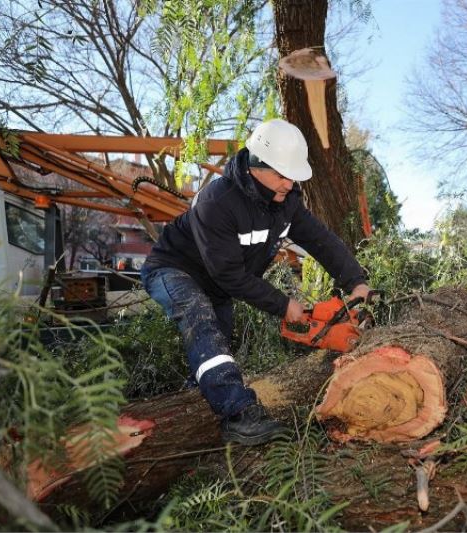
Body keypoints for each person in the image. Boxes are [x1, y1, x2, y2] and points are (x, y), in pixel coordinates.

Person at [140, 119, 370, 445]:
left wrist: (356, 282)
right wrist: (282, 304)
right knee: (199, 319)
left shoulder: (286, 201)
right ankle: (238, 415)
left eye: (292, 176)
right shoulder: (217, 202)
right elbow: (229, 274)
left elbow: (321, 240)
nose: (289, 183)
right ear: (255, 165)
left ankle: (193, 409)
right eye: (281, 175)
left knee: (217, 346)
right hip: (173, 270)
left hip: (218, 284)